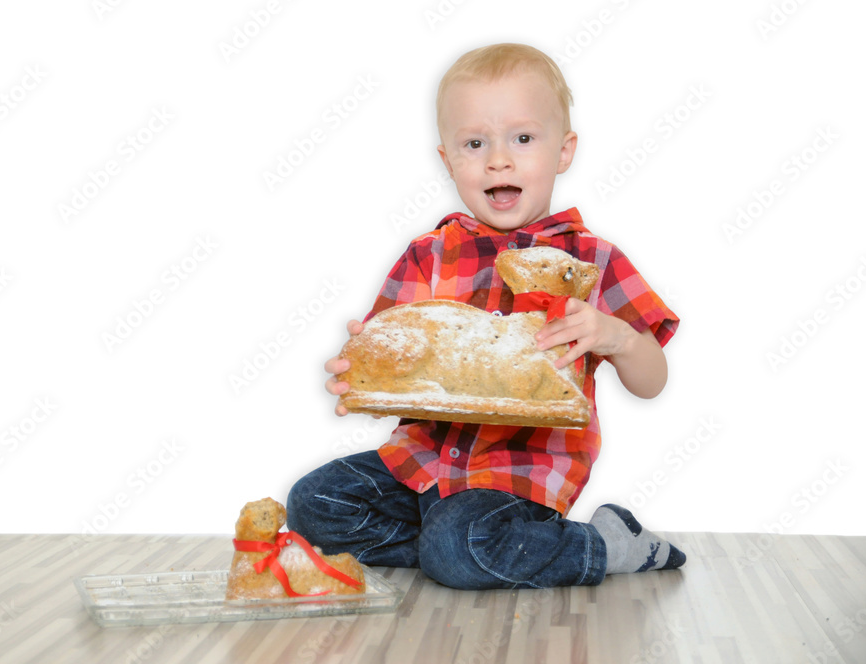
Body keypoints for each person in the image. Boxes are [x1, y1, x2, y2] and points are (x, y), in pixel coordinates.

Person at [287, 43, 685, 589]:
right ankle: (465, 549)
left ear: (564, 151)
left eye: (523, 139)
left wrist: (615, 337)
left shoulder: (591, 259)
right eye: (475, 143)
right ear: (448, 160)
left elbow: (653, 381)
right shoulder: (428, 254)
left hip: (519, 476)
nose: (498, 159)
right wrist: (360, 370)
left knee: (457, 545)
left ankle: (605, 544)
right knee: (314, 504)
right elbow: (389, 353)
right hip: (422, 463)